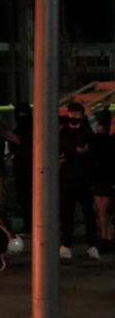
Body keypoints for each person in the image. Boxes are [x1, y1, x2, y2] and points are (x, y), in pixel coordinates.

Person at [58, 102, 100, 261]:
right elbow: (62, 150)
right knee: (67, 213)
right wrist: (74, 152)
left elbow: (94, 150)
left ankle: (92, 245)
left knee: (88, 213)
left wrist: (83, 153)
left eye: (77, 113)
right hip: (68, 179)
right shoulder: (64, 132)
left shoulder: (87, 131)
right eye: (72, 112)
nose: (74, 115)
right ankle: (66, 245)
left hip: (84, 179)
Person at [5, 102, 33, 233]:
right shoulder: (17, 130)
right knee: (24, 198)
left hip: (33, 170)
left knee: (35, 198)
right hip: (21, 170)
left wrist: (19, 142)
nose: (21, 116)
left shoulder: (34, 130)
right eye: (19, 114)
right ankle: (28, 224)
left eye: (24, 114)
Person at [90, 110, 114, 252]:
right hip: (101, 177)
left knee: (104, 210)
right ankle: (106, 237)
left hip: (105, 177)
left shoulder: (106, 141)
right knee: (102, 211)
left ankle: (106, 237)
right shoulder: (101, 140)